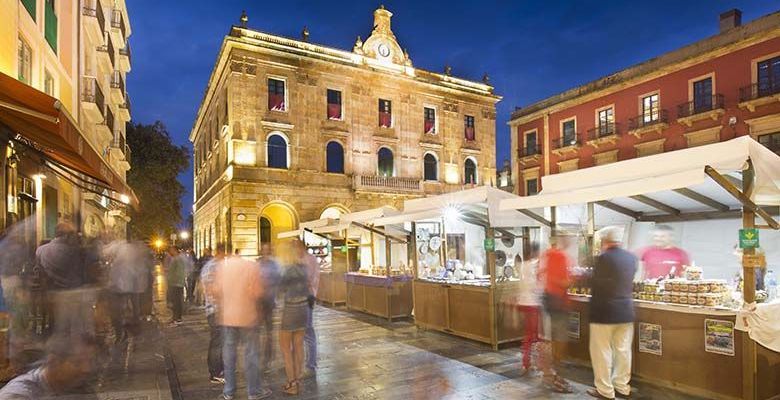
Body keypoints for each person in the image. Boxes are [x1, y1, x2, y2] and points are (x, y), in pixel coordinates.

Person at [211, 247, 271, 400]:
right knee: (251, 354)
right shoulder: (251, 267)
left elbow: (215, 291)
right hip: (248, 317)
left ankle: (229, 391)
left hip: (228, 317)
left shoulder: (223, 268)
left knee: (229, 355)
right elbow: (257, 292)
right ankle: (254, 391)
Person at [587, 226, 638, 400]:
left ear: (605, 241)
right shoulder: (631, 258)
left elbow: (596, 283)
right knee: (623, 351)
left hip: (604, 313)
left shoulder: (604, 258)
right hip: (626, 312)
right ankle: (622, 387)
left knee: (602, 352)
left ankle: (605, 391)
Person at [35, 222, 91, 337]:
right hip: (73, 294)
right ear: (66, 236)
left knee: (56, 327)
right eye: (72, 234)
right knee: (74, 327)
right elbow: (83, 272)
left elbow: (38, 272)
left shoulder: (41, 250)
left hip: (51, 294)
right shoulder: (75, 251)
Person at [0, 334, 97, 399]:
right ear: (53, 362)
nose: (86, 369)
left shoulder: (80, 388)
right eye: (77, 362)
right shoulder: (19, 394)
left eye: (91, 361)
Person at [538, 233, 574, 394]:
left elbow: (543, 275)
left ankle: (551, 375)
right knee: (559, 340)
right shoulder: (560, 256)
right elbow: (563, 282)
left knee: (551, 338)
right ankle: (555, 377)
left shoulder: (547, 255)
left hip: (548, 300)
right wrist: (575, 279)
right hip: (558, 301)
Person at [278, 240, 311, 395]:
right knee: (298, 345)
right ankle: (297, 379)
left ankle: (292, 384)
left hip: (290, 309)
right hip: (303, 309)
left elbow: (280, 289)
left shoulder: (286, 270)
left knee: (285, 348)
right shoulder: (304, 268)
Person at [200, 245, 224, 384]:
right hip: (216, 310)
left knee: (218, 341)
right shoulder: (214, 267)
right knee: (217, 342)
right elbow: (212, 289)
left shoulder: (210, 266)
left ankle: (218, 369)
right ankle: (215, 372)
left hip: (214, 309)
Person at [257, 243, 281, 373]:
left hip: (270, 301)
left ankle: (268, 359)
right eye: (263, 249)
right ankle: (258, 357)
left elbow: (278, 280)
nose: (265, 251)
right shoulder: (258, 263)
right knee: (257, 331)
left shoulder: (274, 264)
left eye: (267, 249)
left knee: (269, 332)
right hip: (259, 301)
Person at [299, 240, 320, 377]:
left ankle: (311, 364)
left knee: (307, 330)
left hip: (307, 297)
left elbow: (308, 280)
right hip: (300, 298)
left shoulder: (310, 260)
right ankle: (304, 363)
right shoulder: (301, 259)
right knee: (303, 332)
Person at [164, 247, 186, 325]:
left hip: (176, 284)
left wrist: (172, 280)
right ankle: (175, 317)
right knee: (175, 301)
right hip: (175, 283)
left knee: (176, 302)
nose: (170, 252)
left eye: (172, 250)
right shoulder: (176, 259)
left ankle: (177, 319)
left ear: (175, 251)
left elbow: (178, 272)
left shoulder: (178, 259)